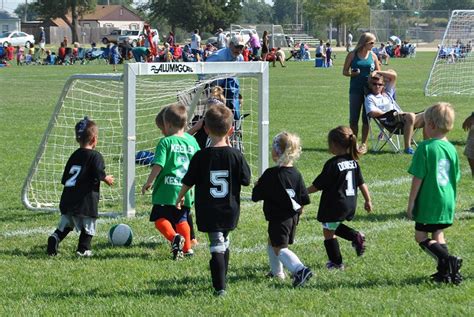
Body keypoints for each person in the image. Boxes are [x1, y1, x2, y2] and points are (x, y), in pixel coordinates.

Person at [175, 105, 251, 296]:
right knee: (224, 241)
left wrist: (180, 196)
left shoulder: (201, 156)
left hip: (209, 209)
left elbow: (188, 180)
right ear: (231, 129)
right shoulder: (236, 155)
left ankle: (220, 287)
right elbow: (246, 179)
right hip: (230, 208)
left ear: (206, 129)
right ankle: (221, 279)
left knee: (217, 245)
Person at [407, 102, 462, 284]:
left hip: (430, 200)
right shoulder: (452, 149)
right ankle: (444, 273)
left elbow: (418, 178)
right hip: (446, 200)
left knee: (420, 236)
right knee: (438, 234)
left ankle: (448, 260)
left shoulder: (426, 147)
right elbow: (456, 176)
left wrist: (412, 202)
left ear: (430, 125)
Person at [46, 117, 114, 257]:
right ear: (94, 139)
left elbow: (65, 179)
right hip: (86, 200)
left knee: (66, 223)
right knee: (89, 225)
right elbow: (98, 171)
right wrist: (105, 178)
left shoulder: (74, 155)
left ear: (78, 139)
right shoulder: (96, 156)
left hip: (68, 197)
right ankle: (83, 249)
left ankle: (55, 237)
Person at [252, 132, 313, 287]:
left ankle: (300, 270)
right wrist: (300, 211)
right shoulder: (296, 173)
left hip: (278, 217)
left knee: (279, 248)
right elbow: (303, 197)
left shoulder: (271, 174)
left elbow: (256, 196)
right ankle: (277, 272)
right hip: (292, 217)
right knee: (272, 241)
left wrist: (257, 185)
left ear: (277, 152)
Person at [307, 126, 372, 270]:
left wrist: (303, 192)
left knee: (328, 231)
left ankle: (338, 259)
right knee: (331, 227)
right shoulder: (354, 162)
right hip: (349, 203)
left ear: (335, 145)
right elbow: (361, 183)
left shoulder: (333, 164)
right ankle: (339, 257)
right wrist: (368, 200)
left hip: (334, 203)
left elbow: (318, 185)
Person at [142, 103, 200, 260]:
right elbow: (198, 164)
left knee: (160, 219)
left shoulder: (165, 142)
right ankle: (187, 249)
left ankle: (174, 238)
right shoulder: (192, 141)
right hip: (186, 190)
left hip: (166, 190)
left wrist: (149, 181)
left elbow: (158, 164)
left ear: (167, 124)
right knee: (182, 218)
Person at [365, 70, 425, 154]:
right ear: (370, 85)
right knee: (411, 116)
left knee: (428, 114)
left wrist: (377, 71)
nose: (377, 86)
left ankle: (427, 145)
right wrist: (390, 114)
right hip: (391, 121)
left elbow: (393, 76)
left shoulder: (388, 93)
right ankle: (407, 148)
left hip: (402, 118)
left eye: (380, 84)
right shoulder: (370, 98)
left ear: (383, 86)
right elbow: (372, 112)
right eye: (374, 84)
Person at [343, 32, 381, 154]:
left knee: (366, 118)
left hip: (369, 92)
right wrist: (352, 74)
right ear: (364, 43)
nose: (373, 45)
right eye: (371, 43)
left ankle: (364, 143)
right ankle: (353, 143)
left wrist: (375, 75)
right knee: (354, 118)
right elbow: (344, 71)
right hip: (355, 90)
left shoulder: (373, 56)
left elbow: (379, 73)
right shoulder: (352, 55)